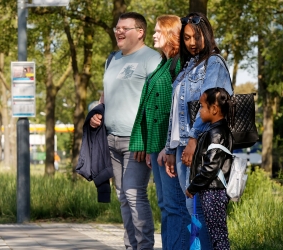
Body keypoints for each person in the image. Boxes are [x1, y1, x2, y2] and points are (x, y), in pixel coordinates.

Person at [90, 12, 161, 250]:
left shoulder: (152, 59)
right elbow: (104, 96)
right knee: (122, 197)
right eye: (116, 28)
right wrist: (96, 112)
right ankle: (130, 246)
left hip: (136, 141)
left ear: (140, 32)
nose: (118, 31)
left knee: (134, 195)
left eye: (124, 28)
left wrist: (149, 142)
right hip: (111, 139)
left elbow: (157, 103)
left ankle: (144, 247)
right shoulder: (112, 59)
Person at [164, 12, 233, 249]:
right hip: (183, 144)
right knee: (188, 209)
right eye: (186, 38)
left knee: (199, 212)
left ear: (207, 34)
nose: (192, 43)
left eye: (196, 37)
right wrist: (170, 148)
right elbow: (176, 112)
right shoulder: (188, 66)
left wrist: (192, 140)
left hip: (200, 146)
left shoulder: (213, 63)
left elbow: (210, 107)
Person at [129, 15, 189, 249]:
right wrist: (147, 145)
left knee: (175, 206)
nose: (153, 35)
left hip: (169, 147)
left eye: (158, 31)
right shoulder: (164, 63)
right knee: (165, 205)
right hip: (158, 147)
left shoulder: (179, 64)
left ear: (172, 35)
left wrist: (169, 146)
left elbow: (179, 109)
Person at [186, 87, 233, 250]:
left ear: (214, 109)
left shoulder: (217, 133)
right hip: (212, 191)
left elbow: (211, 166)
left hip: (214, 192)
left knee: (218, 236)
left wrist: (193, 186)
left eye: (202, 106)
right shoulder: (216, 130)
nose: (199, 111)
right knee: (216, 234)